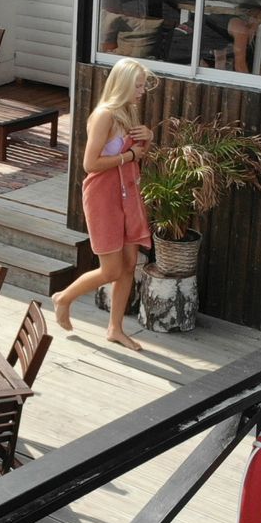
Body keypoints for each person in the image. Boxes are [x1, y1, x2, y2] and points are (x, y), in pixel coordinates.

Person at [53, 58, 156, 352]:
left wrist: (147, 139)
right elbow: (90, 164)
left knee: (129, 265)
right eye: (137, 86)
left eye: (142, 85)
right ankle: (64, 298)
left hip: (127, 193)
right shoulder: (104, 115)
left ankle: (115, 329)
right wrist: (130, 156)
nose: (141, 91)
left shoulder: (129, 113)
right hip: (103, 196)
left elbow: (138, 153)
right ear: (122, 85)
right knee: (111, 270)